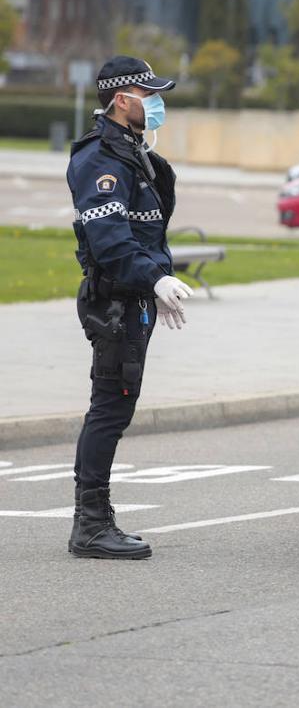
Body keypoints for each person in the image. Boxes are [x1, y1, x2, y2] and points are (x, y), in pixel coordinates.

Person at [67, 56, 195, 559]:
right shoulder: (99, 159)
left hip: (133, 299)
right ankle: (91, 525)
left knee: (116, 407)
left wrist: (154, 284)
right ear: (123, 99)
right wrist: (155, 279)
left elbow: (146, 232)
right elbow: (111, 244)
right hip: (114, 303)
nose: (158, 103)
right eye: (150, 94)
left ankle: (93, 522)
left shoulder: (134, 154)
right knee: (110, 409)